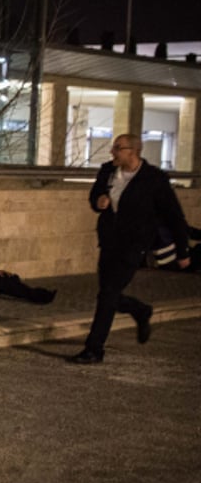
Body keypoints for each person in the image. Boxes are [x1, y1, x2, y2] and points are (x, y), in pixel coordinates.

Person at [70, 134, 192, 364]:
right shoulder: (108, 171)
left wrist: (183, 252)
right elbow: (94, 195)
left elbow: (174, 216)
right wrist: (99, 201)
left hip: (134, 245)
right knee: (107, 292)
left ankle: (94, 349)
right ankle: (139, 310)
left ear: (132, 151)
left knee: (107, 294)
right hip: (108, 241)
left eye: (118, 148)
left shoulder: (153, 179)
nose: (112, 152)